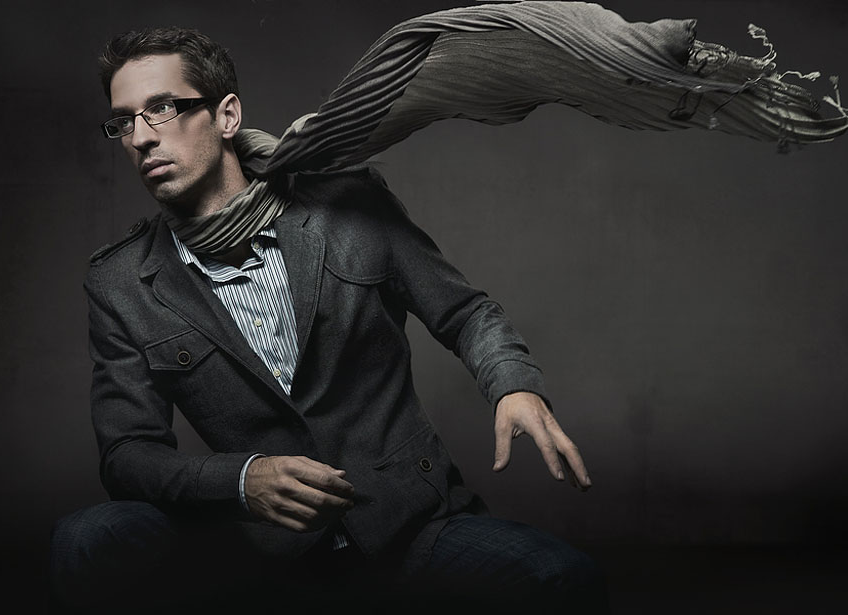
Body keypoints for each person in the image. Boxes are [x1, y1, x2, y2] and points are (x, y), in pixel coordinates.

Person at [50, 25, 607, 614]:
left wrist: (514, 385)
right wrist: (241, 481)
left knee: (560, 577)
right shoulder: (121, 280)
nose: (140, 137)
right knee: (87, 537)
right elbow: (129, 454)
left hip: (405, 525)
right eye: (124, 121)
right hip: (259, 548)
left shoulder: (348, 203)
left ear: (227, 115)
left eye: (162, 108)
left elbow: (465, 312)